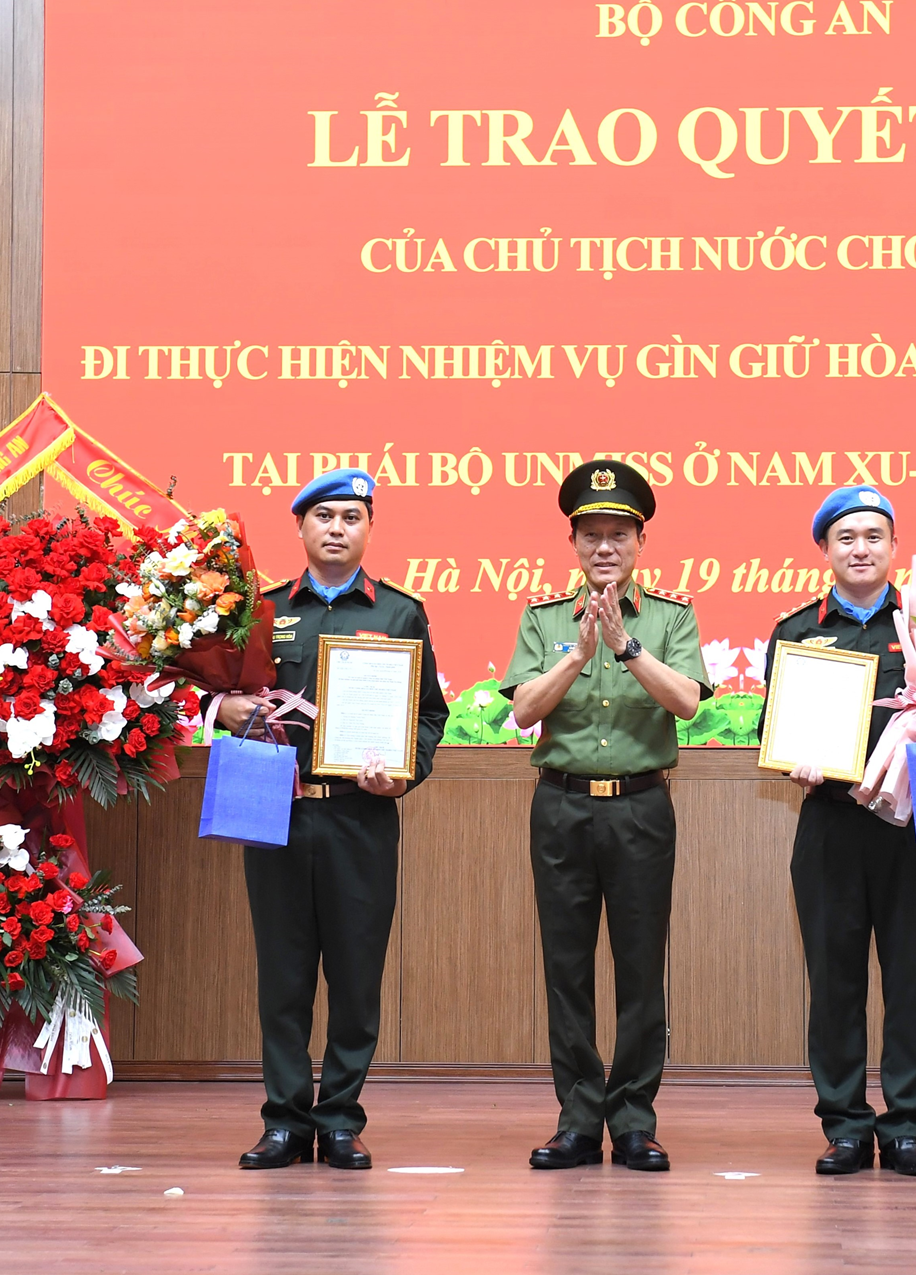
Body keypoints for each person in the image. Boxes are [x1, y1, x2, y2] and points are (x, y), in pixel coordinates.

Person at [214, 467, 449, 1171]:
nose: (337, 529)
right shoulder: (258, 609)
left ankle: (341, 1117)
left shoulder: (401, 612)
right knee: (283, 976)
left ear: (369, 528)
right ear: (301, 527)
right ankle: (284, 1120)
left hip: (360, 817)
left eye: (351, 517)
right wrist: (218, 711)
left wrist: (402, 772)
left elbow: (429, 715)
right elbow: (218, 694)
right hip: (276, 813)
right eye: (324, 517)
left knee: (355, 976)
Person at [756, 487, 916, 1178]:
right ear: (825, 549)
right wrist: (795, 758)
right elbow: (775, 727)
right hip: (830, 826)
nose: (860, 547)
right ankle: (845, 1123)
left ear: (894, 547)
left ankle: (906, 1125)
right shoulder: (797, 631)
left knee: (912, 979)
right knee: (835, 979)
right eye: (846, 536)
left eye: (874, 536)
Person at [501, 459, 710, 1172]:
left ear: (640, 540)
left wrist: (624, 645)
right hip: (560, 807)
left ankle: (635, 1120)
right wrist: (578, 654)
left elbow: (685, 700)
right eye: (591, 535)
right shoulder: (543, 617)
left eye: (618, 534)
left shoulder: (672, 615)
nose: (604, 548)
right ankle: (577, 1118)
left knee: (641, 969)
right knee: (567, 970)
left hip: (641, 809)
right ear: (573, 542)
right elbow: (525, 709)